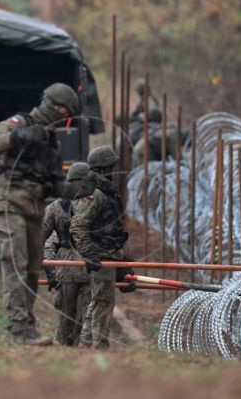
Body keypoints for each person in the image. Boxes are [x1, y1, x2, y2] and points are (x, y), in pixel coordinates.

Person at [0, 82, 78, 346]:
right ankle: (19, 329)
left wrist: (77, 189)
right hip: (10, 203)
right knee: (16, 265)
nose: (64, 117)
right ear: (50, 104)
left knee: (31, 272)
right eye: (62, 109)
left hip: (35, 210)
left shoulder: (52, 144)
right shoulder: (19, 122)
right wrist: (20, 136)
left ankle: (27, 325)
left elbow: (55, 181)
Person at [70, 146, 134, 350]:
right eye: (111, 167)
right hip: (100, 256)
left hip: (109, 254)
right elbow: (78, 225)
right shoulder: (94, 193)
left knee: (98, 301)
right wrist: (89, 253)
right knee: (103, 302)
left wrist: (124, 263)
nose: (114, 171)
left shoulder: (105, 190)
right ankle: (99, 347)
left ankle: (87, 343)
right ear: (104, 168)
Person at [43, 162, 95, 346]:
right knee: (88, 316)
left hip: (66, 266)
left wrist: (47, 268)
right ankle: (84, 350)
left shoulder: (55, 207)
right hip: (91, 264)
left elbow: (41, 237)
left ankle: (63, 349)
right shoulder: (96, 202)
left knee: (65, 316)